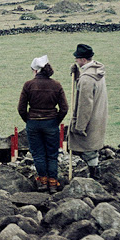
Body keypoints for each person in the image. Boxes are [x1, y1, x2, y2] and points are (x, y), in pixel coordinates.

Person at [18, 55, 68, 193]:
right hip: (51, 123)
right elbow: (64, 108)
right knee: (52, 154)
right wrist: (56, 121)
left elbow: (21, 108)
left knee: (38, 154)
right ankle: (53, 183)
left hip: (33, 123)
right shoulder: (56, 85)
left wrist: (29, 120)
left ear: (35, 70)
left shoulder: (28, 85)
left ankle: (42, 182)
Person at [68, 44, 108, 180]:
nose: (75, 60)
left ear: (83, 60)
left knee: (87, 148)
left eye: (77, 58)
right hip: (99, 115)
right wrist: (77, 75)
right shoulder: (97, 71)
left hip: (89, 119)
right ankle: (94, 174)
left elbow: (85, 105)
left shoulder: (87, 79)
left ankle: (93, 177)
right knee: (92, 147)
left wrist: (80, 126)